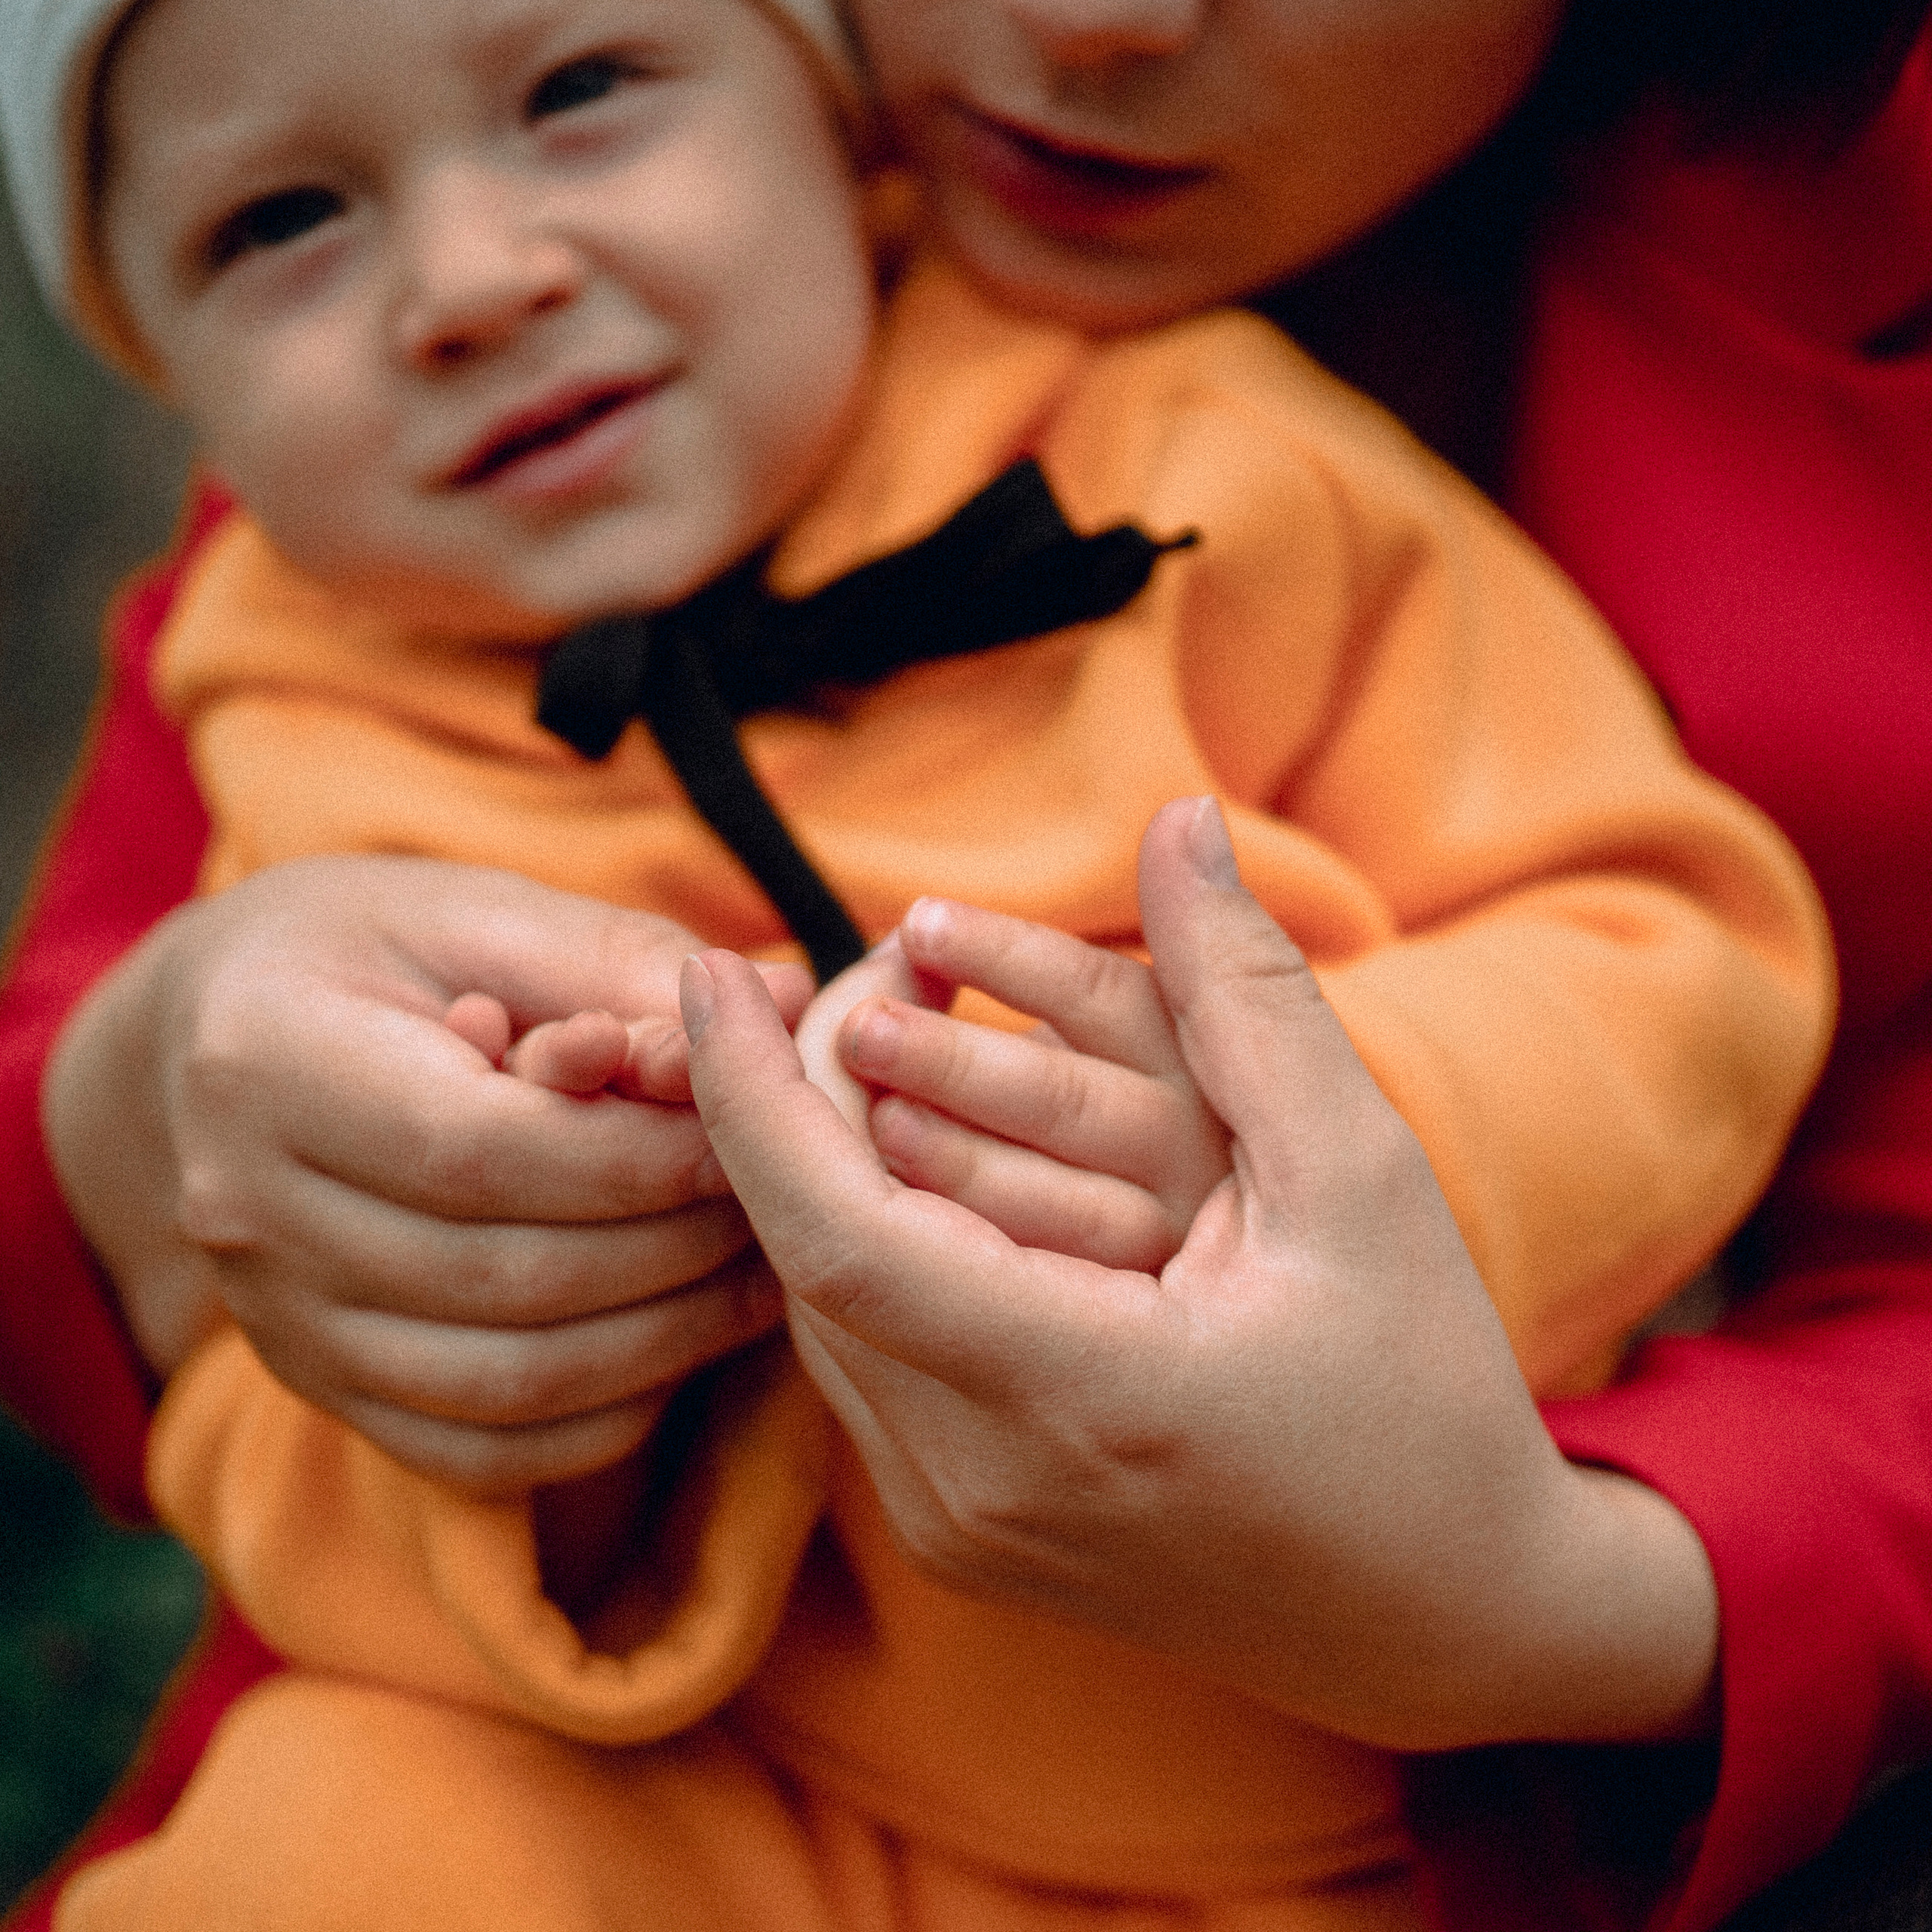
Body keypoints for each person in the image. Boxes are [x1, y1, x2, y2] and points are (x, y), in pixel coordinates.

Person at [2, 0, 1928, 1927]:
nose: (471, 285)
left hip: (1234, 1782)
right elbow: (245, 1381)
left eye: (578, 94)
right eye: (275, 227)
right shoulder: (301, 661)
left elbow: (1660, 932)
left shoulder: (1195, 456)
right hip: (600, 1764)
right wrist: (492, 1361)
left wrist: (1317, 1135)